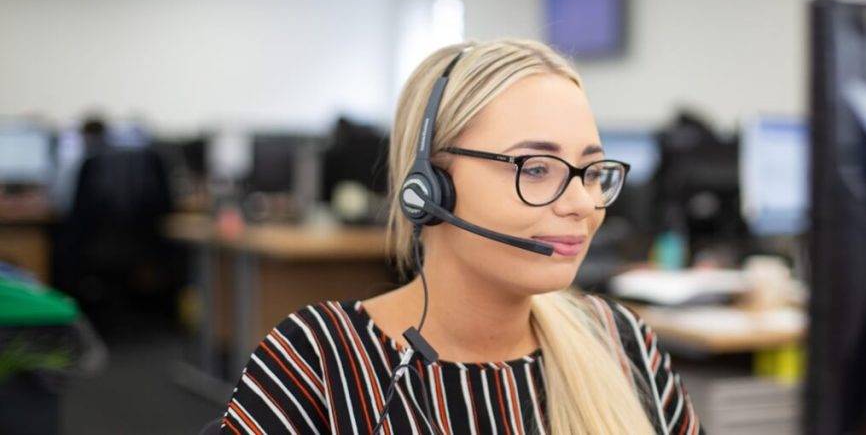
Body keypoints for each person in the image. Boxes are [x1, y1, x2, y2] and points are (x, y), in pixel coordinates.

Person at [220, 40, 703, 434]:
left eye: (592, 171)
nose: (582, 203)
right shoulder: (319, 360)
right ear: (431, 188)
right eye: (536, 168)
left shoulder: (619, 341)